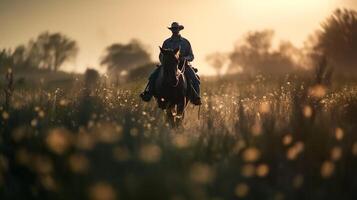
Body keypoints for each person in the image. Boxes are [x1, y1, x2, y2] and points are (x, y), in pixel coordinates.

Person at [140, 22, 202, 105]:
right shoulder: (166, 42)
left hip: (183, 65)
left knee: (195, 79)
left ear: (179, 30)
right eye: (173, 29)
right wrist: (164, 62)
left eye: (176, 29)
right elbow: (161, 55)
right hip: (168, 66)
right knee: (152, 76)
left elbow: (191, 56)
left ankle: (196, 98)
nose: (174, 30)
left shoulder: (185, 42)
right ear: (171, 30)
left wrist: (184, 58)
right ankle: (148, 94)